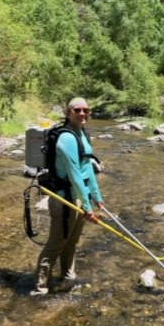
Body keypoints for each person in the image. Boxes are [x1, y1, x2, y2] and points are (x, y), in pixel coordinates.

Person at [31, 96, 103, 296]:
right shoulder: (67, 138)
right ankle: (40, 288)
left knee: (71, 243)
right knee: (55, 245)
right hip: (65, 201)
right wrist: (87, 208)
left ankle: (66, 279)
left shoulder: (83, 135)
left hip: (79, 198)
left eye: (85, 110)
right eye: (77, 110)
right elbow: (75, 175)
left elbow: (87, 167)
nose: (82, 114)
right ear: (68, 113)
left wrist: (96, 196)